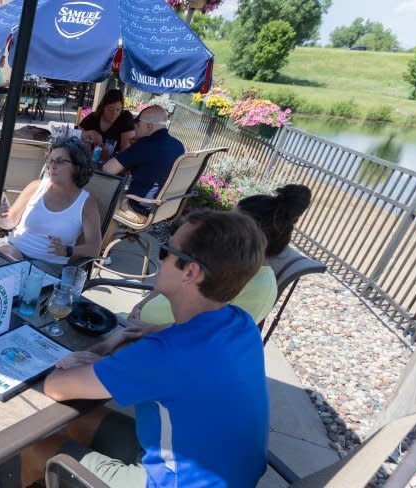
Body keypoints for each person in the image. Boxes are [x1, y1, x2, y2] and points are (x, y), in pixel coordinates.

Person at [21, 210, 270, 487]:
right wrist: (129, 338)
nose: (159, 260)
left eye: (165, 252)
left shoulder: (165, 354)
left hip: (171, 482)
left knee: (36, 448)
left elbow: (56, 386)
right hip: (222, 474)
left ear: (190, 271)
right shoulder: (241, 322)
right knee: (81, 420)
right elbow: (172, 334)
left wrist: (89, 355)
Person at [132, 184, 313, 327]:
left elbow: (210, 336)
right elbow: (171, 278)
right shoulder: (221, 257)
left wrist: (145, 329)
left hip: (159, 347)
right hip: (136, 328)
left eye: (230, 222)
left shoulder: (260, 287)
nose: (221, 225)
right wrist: (141, 306)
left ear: (253, 238)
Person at [0, 136, 102, 270]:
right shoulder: (36, 187)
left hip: (47, 265)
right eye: (50, 160)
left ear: (77, 166)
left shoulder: (86, 205)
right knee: (5, 256)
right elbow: (9, 222)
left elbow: (94, 248)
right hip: (14, 252)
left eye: (60, 161)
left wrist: (68, 251)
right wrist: (0, 216)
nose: (52, 166)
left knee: (19, 274)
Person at [101, 104, 185, 224]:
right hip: (161, 209)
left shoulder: (146, 145)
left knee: (96, 196)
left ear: (149, 126)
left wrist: (132, 149)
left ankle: (98, 240)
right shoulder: (178, 145)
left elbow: (108, 169)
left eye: (138, 125)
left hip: (137, 209)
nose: (136, 129)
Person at [79, 89, 136, 157]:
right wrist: (88, 133)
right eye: (110, 109)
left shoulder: (125, 118)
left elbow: (126, 152)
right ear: (103, 107)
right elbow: (75, 135)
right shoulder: (93, 117)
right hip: (90, 159)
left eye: (118, 110)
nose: (114, 114)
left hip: (114, 163)